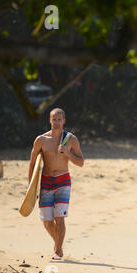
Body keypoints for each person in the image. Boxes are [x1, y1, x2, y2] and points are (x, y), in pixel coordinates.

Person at [28, 108, 84, 260]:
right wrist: (31, 188)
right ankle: (58, 245)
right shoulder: (41, 140)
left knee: (60, 217)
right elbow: (33, 163)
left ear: (64, 121)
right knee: (47, 221)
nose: (57, 122)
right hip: (46, 181)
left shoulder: (71, 139)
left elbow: (81, 162)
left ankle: (57, 251)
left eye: (60, 120)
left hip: (63, 180)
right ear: (50, 120)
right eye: (54, 119)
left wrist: (68, 154)